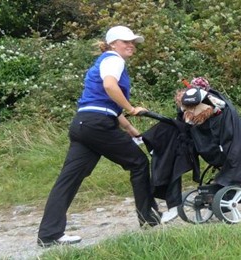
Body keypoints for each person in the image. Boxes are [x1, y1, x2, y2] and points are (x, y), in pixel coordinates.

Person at [37, 25, 160, 248]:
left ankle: (49, 234)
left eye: (133, 42)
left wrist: (129, 128)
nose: (131, 44)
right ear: (113, 43)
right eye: (126, 41)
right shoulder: (114, 59)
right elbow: (110, 87)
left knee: (68, 179)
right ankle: (149, 221)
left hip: (83, 124)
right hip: (98, 125)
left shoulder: (103, 61)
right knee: (139, 163)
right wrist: (131, 108)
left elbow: (104, 102)